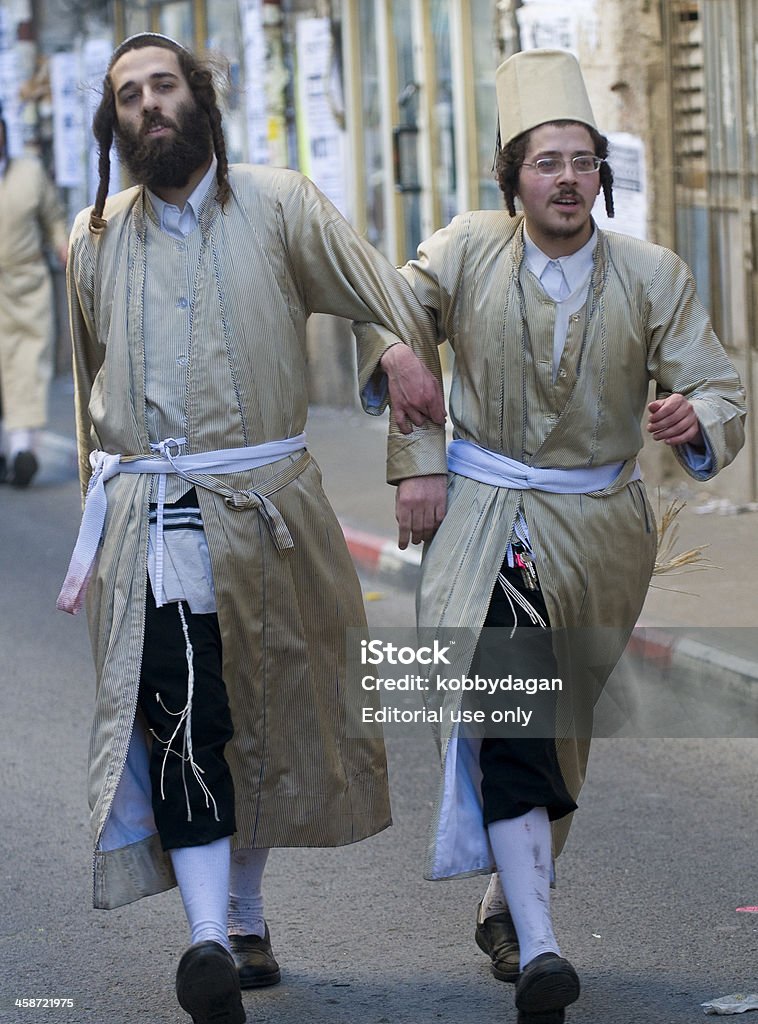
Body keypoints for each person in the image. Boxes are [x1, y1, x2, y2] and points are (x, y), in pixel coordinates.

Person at [57, 33, 445, 1024]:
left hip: (269, 515)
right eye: (130, 94)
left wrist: (396, 347)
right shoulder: (91, 239)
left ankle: (240, 910)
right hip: (156, 519)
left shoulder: (280, 204)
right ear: (114, 122)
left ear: (200, 99)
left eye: (165, 85)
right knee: (183, 718)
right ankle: (204, 942)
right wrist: (95, 531)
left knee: (265, 718)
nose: (150, 105)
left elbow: (388, 295)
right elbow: (87, 385)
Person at [355, 48, 746, 1024]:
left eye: (581, 159)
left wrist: (694, 418)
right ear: (511, 177)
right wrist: (416, 457)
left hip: (600, 528)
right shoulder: (462, 247)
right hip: (486, 514)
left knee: (557, 730)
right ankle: (540, 945)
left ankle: (507, 901)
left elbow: (717, 380)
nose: (565, 177)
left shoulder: (650, 272)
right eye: (544, 160)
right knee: (513, 706)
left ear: (597, 177)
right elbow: (389, 324)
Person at [0, 104, 69, 487]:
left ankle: (22, 450)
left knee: (27, 365)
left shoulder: (29, 172)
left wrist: (62, 244)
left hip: (25, 286)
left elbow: (53, 217)